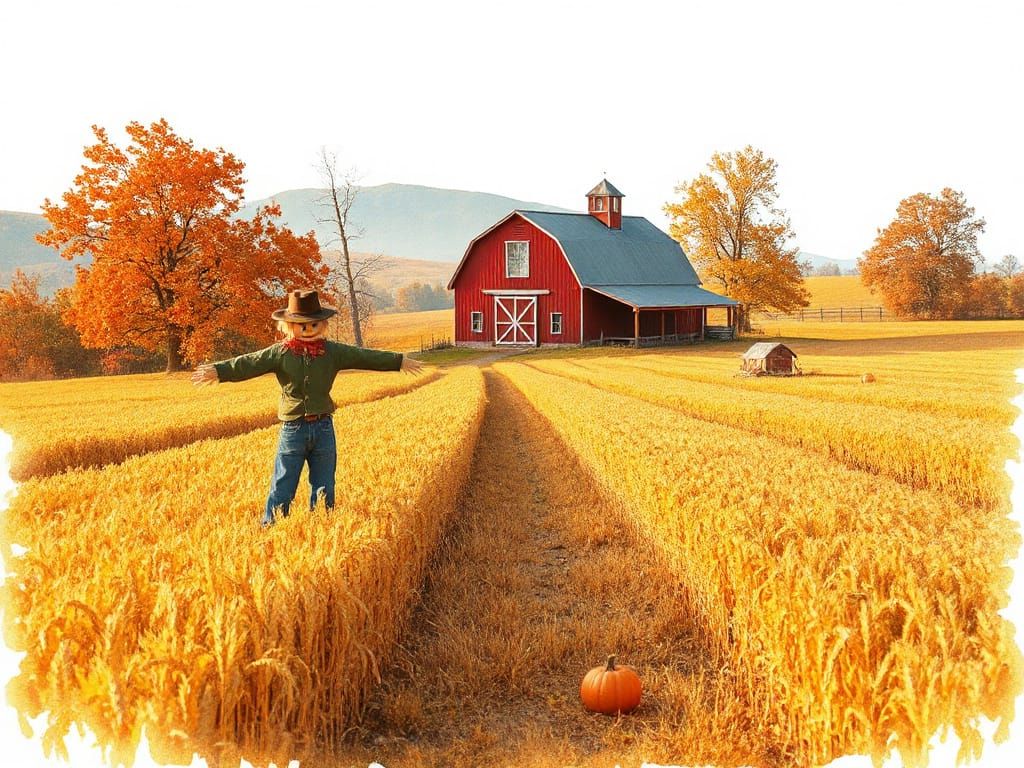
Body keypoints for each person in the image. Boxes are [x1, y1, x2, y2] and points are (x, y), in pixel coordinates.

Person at [191, 289, 424, 526]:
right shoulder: (280, 352)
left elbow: (364, 356)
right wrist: (219, 371)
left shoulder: (333, 352)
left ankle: (322, 530)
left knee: (325, 486)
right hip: (293, 429)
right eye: (301, 324)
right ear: (288, 325)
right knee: (283, 485)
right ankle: (270, 530)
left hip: (324, 427)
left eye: (313, 324)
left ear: (322, 324)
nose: (308, 329)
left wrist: (398, 361)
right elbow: (249, 363)